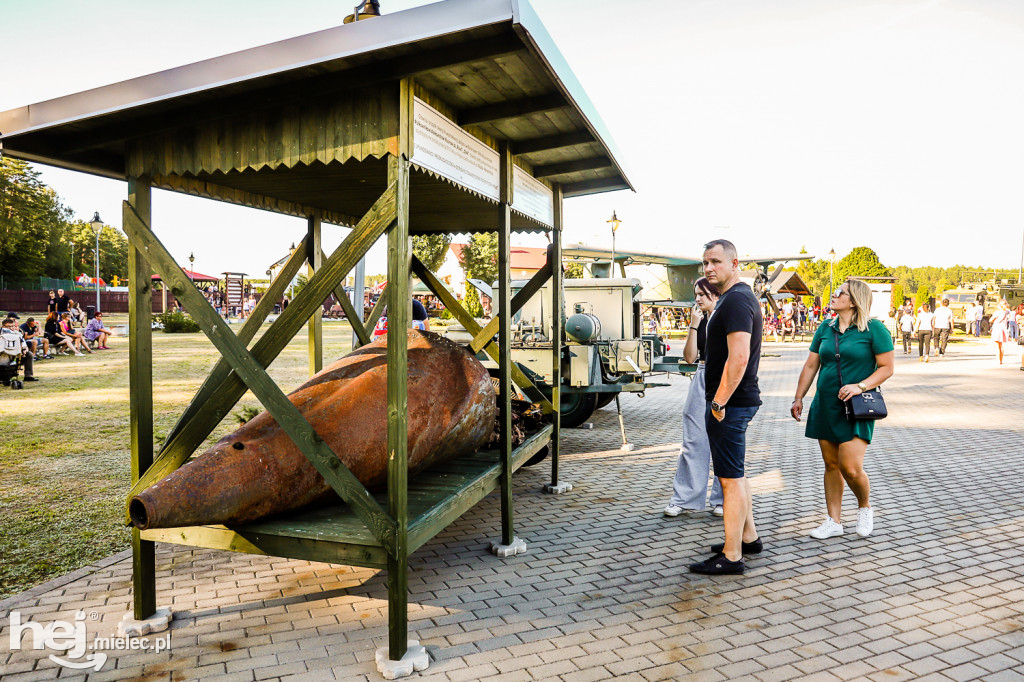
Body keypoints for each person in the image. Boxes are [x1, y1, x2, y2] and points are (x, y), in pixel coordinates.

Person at [791, 280, 894, 539]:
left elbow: (886, 368)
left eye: (840, 293)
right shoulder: (825, 328)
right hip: (826, 403)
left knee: (851, 467)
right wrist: (798, 397)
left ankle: (864, 507)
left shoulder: (874, 329)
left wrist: (861, 385)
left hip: (855, 407)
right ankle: (834, 521)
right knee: (831, 464)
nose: (834, 295)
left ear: (854, 300)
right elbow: (811, 365)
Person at [688, 239, 763, 576]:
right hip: (734, 402)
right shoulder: (737, 298)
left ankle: (732, 556)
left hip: (729, 404)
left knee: (729, 480)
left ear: (735, 263)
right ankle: (748, 538)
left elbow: (740, 356)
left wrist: (719, 400)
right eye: (705, 263)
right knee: (737, 474)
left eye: (716, 262)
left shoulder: (735, 300)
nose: (708, 269)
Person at [664, 278, 725, 518]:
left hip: (723, 377)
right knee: (692, 441)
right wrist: (693, 325)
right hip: (701, 374)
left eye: (702, 294)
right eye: (696, 294)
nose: (698, 299)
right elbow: (689, 358)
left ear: (715, 295)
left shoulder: (726, 317)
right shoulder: (700, 320)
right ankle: (684, 498)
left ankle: (721, 498)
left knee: (723, 440)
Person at [1, 317, 37, 382]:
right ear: (3, 326)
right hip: (2, 356)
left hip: (16, 356)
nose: (11, 328)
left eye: (13, 326)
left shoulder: (18, 334)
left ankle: (28, 376)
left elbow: (24, 344)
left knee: (29, 354)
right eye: (9, 326)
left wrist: (25, 351)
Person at [989, 299, 1012, 364]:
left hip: (997, 328)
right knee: (1001, 345)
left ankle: (998, 359)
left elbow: (990, 320)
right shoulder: (1007, 312)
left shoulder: (998, 312)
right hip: (1003, 328)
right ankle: (1001, 360)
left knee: (996, 345)